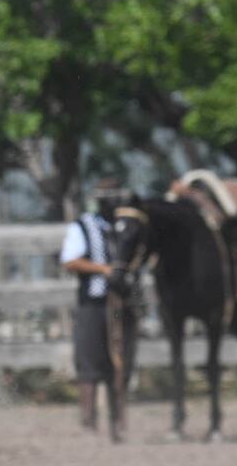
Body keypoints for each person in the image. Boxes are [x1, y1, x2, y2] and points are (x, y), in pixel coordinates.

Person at [58, 179, 136, 434]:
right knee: (89, 359)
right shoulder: (83, 226)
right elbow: (70, 260)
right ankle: (88, 420)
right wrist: (103, 270)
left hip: (122, 303)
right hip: (93, 303)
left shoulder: (126, 226)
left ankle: (119, 418)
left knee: (121, 360)